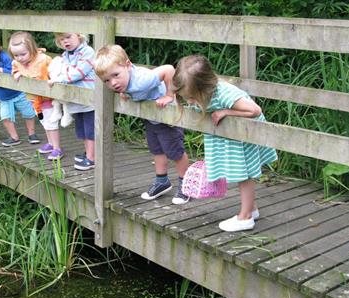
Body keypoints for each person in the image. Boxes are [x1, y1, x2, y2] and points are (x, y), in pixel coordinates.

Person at [172, 55, 278, 232]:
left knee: (245, 174)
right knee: (240, 171)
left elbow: (255, 110)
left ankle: (245, 218)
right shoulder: (203, 93)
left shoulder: (225, 93)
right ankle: (251, 209)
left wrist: (226, 112)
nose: (189, 101)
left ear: (204, 86)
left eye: (191, 97)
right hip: (233, 137)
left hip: (246, 134)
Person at [94, 44, 190, 205]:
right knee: (157, 150)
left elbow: (168, 70)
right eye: (107, 80)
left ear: (128, 65)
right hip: (152, 119)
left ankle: (186, 186)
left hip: (167, 120)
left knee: (176, 153)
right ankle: (162, 182)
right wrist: (125, 92)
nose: (113, 83)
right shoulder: (125, 81)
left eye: (116, 75)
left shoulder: (143, 80)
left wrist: (169, 95)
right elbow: (128, 86)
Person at [8, 31, 63, 160]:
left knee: (51, 122)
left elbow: (55, 70)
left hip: (48, 98)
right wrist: (16, 73)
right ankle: (50, 143)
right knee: (44, 121)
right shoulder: (18, 63)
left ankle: (57, 148)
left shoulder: (43, 60)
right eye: (16, 55)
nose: (20, 58)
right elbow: (15, 68)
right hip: (34, 100)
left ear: (32, 49)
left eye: (23, 54)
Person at [49, 32, 96, 170]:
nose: (65, 41)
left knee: (90, 130)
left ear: (79, 35)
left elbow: (79, 72)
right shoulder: (65, 55)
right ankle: (88, 153)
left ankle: (92, 158)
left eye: (68, 37)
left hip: (88, 98)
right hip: (75, 99)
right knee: (81, 129)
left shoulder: (87, 52)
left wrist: (59, 78)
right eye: (61, 39)